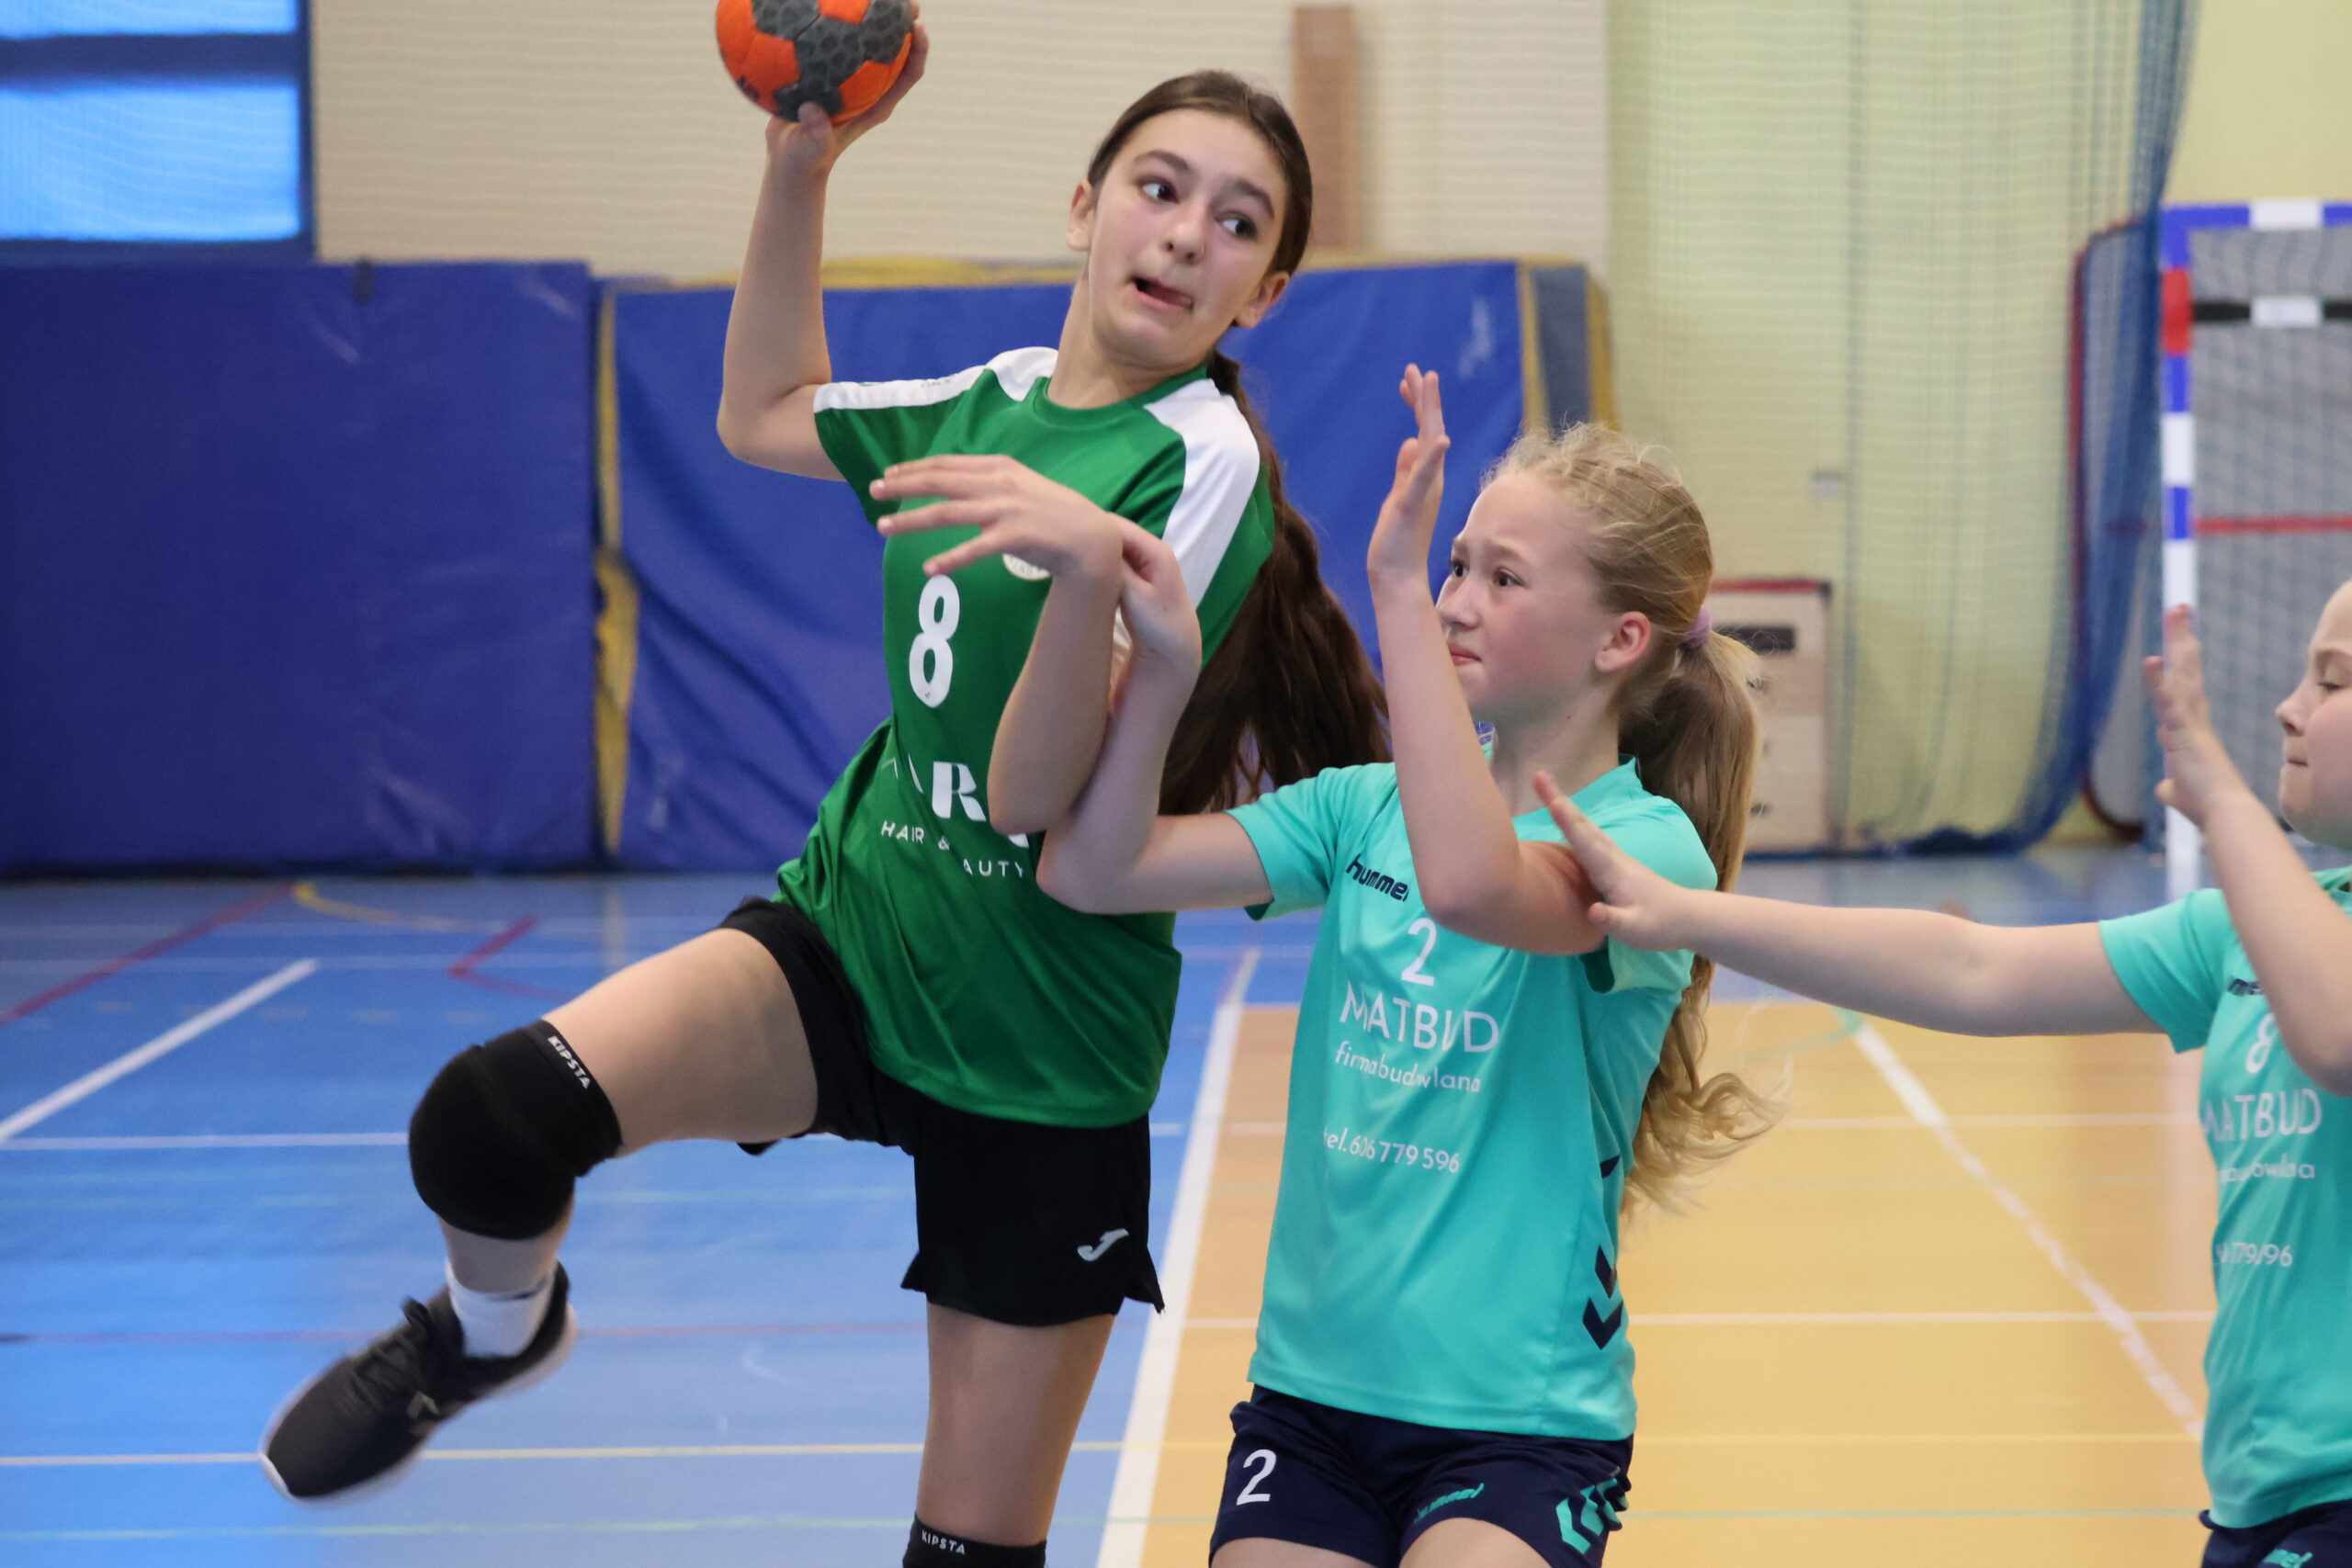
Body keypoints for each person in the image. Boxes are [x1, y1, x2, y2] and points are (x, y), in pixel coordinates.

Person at [258, 45, 1390, 1568]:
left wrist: (1082, 570)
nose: (1188, 234)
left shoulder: (1203, 462)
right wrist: (799, 171)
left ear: (1263, 294)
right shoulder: (982, 401)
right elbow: (762, 408)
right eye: (1161, 188)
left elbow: (1034, 795)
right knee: (489, 1123)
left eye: (1238, 224)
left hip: (1041, 1046)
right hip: (852, 942)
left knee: (967, 1553)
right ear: (1085, 208)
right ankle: (489, 1330)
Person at [971, 369, 1776, 1565]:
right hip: (1313, 1403)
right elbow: (1089, 867)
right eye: (1454, 566)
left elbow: (1473, 883)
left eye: (1503, 579)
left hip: (1520, 1422)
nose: (1457, 601)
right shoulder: (1361, 810)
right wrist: (1164, 673)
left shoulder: (1648, 851)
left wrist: (1394, 587)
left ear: (1620, 640)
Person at [1538, 585, 2352, 1568]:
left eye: (2332, 679)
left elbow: (2337, 1033)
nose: (2289, 706)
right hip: (2266, 1498)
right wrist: (1684, 912)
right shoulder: (2244, 933)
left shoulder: (2293, 948)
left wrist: (2225, 805)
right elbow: (1975, 971)